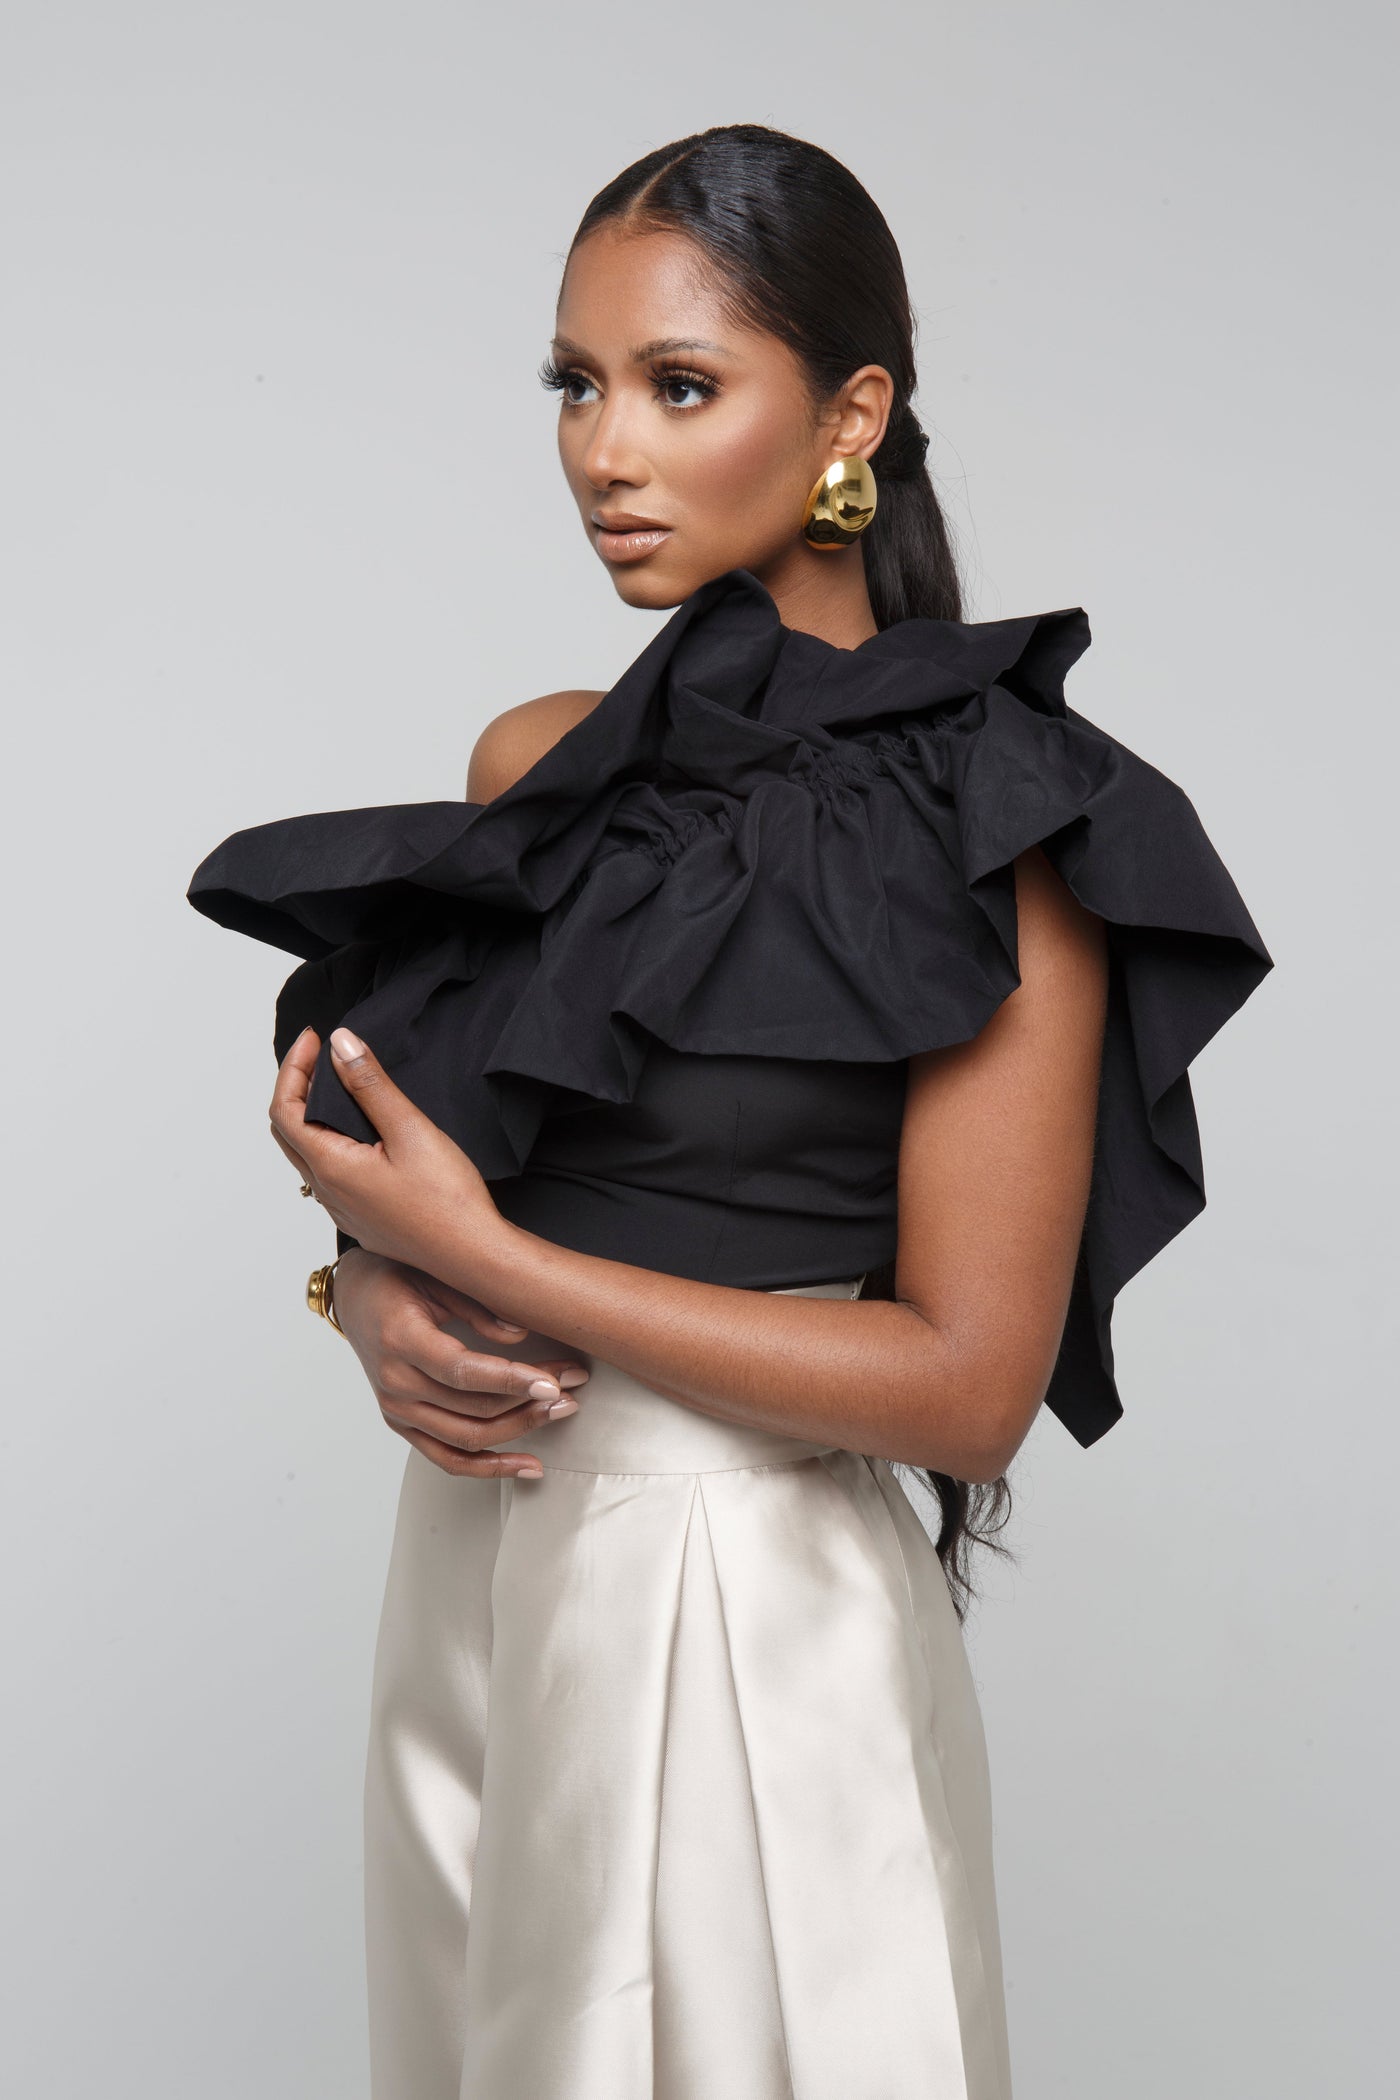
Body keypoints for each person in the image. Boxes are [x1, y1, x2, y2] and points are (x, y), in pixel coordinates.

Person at [186, 124, 1273, 2100]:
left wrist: (484, 1259)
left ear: (850, 415)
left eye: (679, 386)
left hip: (742, 1600)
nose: (606, 450)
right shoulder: (540, 763)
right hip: (481, 1567)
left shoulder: (1006, 824)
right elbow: (465, 1178)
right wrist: (377, 1301)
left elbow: (969, 1386)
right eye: (576, 384)